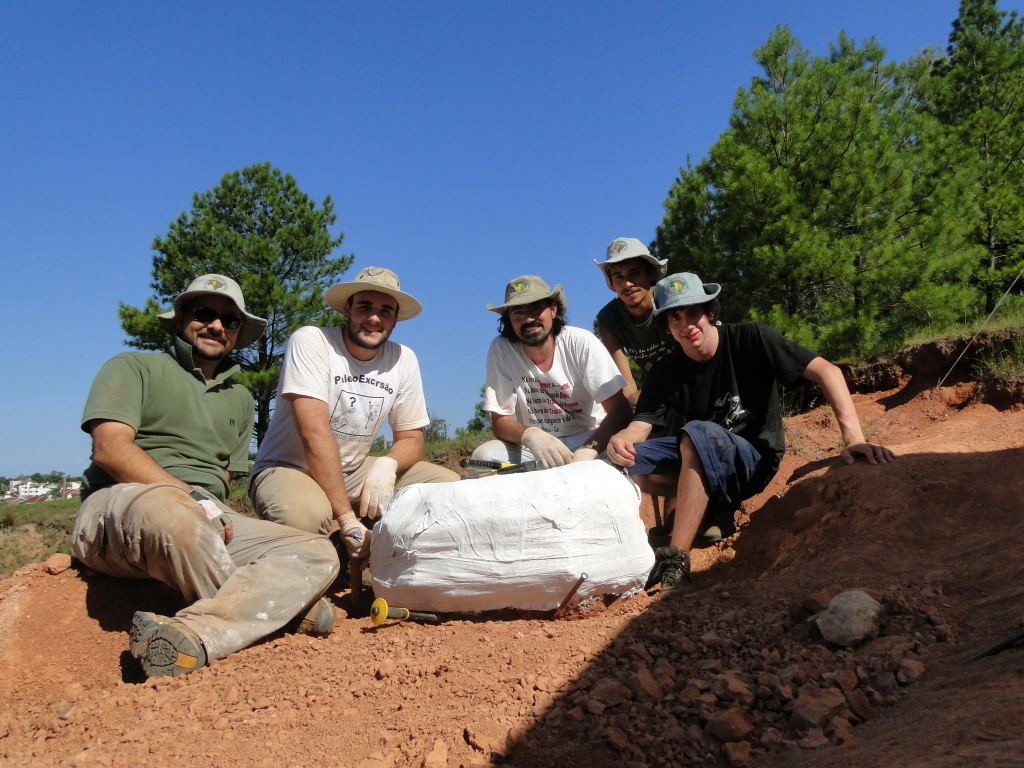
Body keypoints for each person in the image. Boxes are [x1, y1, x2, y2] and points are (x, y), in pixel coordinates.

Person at [73, 274, 340, 679]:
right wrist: (191, 497)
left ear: (237, 333)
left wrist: (207, 506)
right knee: (176, 514)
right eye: (204, 313)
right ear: (181, 318)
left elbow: (222, 477)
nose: (217, 325)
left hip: (202, 518)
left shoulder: (241, 397)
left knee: (318, 552)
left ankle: (195, 635)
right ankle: (283, 611)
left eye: (230, 321)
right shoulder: (133, 366)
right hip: (125, 502)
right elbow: (109, 448)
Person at [607, 272, 896, 599]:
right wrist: (623, 439)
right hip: (704, 453)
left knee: (695, 433)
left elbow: (827, 371)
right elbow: (641, 426)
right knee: (622, 463)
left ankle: (677, 561)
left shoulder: (750, 338)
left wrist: (854, 439)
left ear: (710, 312)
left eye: (693, 312)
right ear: (666, 326)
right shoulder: (665, 371)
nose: (686, 323)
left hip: (755, 459)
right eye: (674, 316)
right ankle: (649, 541)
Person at [249, 267, 458, 561]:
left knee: (447, 488)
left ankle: (380, 549)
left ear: (395, 319)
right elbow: (314, 434)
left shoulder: (403, 359)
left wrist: (388, 463)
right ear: (347, 309)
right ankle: (319, 547)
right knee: (305, 516)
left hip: (353, 469)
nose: (374, 317)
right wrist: (346, 518)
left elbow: (412, 437)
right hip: (289, 467)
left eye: (386, 310)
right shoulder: (312, 341)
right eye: (365, 307)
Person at [471, 275, 632, 467]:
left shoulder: (581, 342)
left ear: (553, 310)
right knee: (483, 456)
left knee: (622, 453)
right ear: (509, 320)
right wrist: (532, 436)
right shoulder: (501, 349)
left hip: (590, 437)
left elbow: (620, 410)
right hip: (539, 447)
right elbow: (500, 421)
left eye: (536, 309)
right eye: (518, 313)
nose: (529, 319)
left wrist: (590, 450)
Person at [594, 237, 672, 407]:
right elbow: (626, 384)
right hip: (652, 395)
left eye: (634, 273)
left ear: (650, 273)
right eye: (619, 277)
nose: (627, 284)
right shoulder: (608, 319)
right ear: (612, 283)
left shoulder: (670, 299)